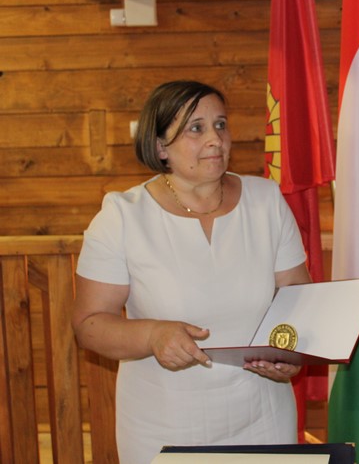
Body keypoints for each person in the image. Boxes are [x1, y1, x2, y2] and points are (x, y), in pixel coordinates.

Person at [72, 81, 310, 464]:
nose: (215, 139)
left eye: (221, 125)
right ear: (160, 147)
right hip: (164, 426)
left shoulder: (266, 201)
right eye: (196, 128)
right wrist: (152, 335)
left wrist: (292, 354)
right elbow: (89, 325)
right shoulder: (122, 216)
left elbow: (299, 299)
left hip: (263, 418)